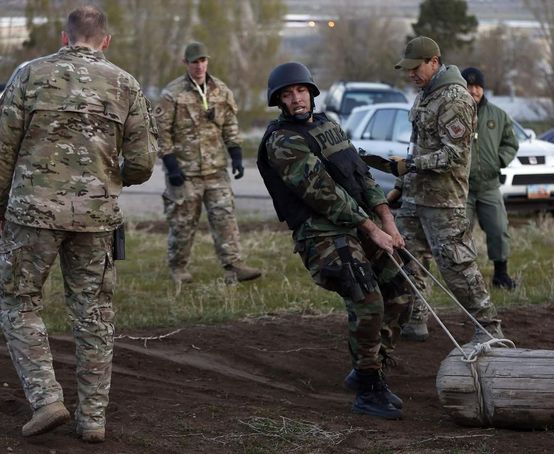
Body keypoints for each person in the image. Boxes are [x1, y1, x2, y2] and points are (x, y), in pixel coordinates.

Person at [0, 6, 157, 442]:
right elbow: (143, 164)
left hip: (32, 214)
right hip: (96, 217)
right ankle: (92, 420)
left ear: (64, 37)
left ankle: (47, 398)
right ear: (105, 41)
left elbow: (2, 150)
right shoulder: (125, 84)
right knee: (94, 314)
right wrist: (109, 176)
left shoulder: (29, 75)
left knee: (18, 302)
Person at [258, 62, 413, 420]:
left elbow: (360, 175)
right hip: (322, 232)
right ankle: (369, 391)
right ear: (279, 101)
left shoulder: (329, 125)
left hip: (359, 224)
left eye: (300, 91)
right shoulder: (282, 142)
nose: (296, 99)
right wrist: (372, 229)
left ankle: (367, 367)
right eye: (287, 94)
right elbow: (323, 194)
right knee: (367, 298)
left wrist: (387, 220)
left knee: (401, 290)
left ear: (311, 92)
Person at [393, 36, 505, 343]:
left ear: (434, 62)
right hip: (415, 197)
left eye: (416, 68)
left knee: (457, 267)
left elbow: (454, 154)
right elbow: (416, 145)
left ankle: (488, 328)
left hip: (444, 200)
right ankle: (415, 319)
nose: (411, 74)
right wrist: (400, 185)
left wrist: (410, 166)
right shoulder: (425, 96)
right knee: (408, 261)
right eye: (408, 69)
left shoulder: (454, 98)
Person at [155, 42, 261, 285]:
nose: (199, 65)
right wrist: (171, 166)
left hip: (215, 170)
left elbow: (230, 124)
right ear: (186, 63)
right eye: (194, 61)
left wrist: (236, 154)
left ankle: (234, 265)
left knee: (225, 217)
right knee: (183, 223)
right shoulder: (172, 94)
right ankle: (178, 267)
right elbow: (161, 132)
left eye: (203, 60)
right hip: (185, 171)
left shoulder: (220, 90)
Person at [460, 67, 519, 290]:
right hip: (461, 186)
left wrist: (498, 161)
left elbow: (511, 143)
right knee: (460, 232)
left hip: (489, 185)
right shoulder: (454, 113)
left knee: (498, 229)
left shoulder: (498, 115)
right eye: (469, 86)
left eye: (478, 87)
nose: (474, 91)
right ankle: (464, 277)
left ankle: (501, 274)